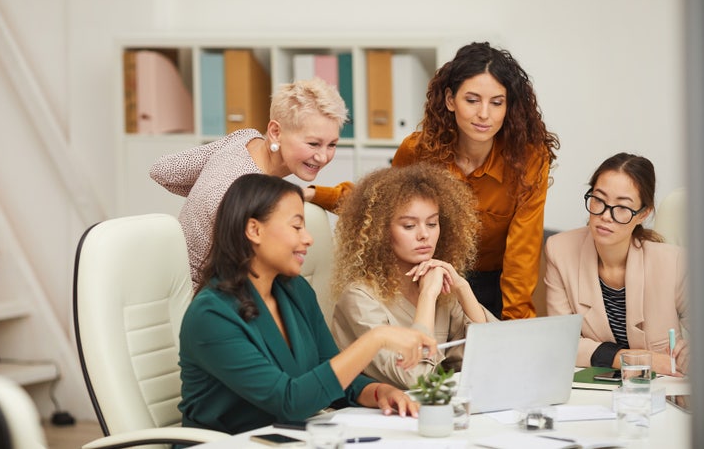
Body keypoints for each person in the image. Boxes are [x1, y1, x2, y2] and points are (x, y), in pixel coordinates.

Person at [178, 173, 438, 434]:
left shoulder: (295, 290)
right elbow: (289, 402)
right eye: (296, 226)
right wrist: (376, 339)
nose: (308, 239)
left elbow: (330, 373)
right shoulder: (211, 314)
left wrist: (378, 391)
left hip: (287, 437)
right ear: (254, 230)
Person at [392, 41, 560, 320]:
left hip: (495, 285)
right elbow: (379, 204)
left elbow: (522, 254)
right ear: (450, 100)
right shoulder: (417, 151)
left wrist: (516, 330)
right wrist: (313, 194)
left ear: (508, 107)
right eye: (472, 100)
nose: (484, 114)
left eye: (497, 103)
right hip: (428, 279)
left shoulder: (529, 159)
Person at [150, 78, 352, 290]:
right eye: (313, 144)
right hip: (206, 299)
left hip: (176, 283)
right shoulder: (249, 196)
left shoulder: (244, 140)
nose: (322, 157)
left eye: (332, 144)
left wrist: (205, 194)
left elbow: (164, 170)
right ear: (275, 132)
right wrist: (215, 200)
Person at [331, 163, 497, 390]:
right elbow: (415, 378)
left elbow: (493, 356)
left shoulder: (443, 289)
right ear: (379, 232)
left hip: (428, 412)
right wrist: (427, 297)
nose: (424, 235)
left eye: (432, 223)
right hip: (376, 416)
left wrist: (462, 288)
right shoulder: (359, 299)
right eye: (409, 226)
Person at [544, 152, 688, 375]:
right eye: (599, 200)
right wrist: (639, 359)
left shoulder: (674, 262)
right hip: (593, 392)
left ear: (643, 214)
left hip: (664, 394)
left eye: (622, 207)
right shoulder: (559, 251)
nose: (606, 215)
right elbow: (561, 342)